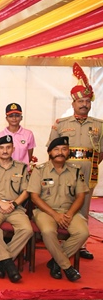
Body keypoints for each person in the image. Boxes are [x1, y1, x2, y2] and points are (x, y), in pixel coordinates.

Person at [47, 63, 102, 260]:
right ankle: (61, 241)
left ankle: (81, 245)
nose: (84, 104)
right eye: (81, 101)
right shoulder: (61, 124)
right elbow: (51, 150)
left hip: (88, 173)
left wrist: (88, 165)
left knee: (84, 207)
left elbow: (101, 152)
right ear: (73, 104)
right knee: (64, 205)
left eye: (87, 101)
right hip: (65, 171)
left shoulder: (99, 125)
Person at [27, 136, 88, 282]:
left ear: (68, 152)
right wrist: (55, 215)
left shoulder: (75, 171)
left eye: (64, 149)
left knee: (83, 233)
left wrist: (69, 214)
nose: (60, 152)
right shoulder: (40, 170)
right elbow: (34, 197)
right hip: (45, 211)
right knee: (48, 231)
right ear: (50, 152)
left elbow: (80, 196)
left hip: (69, 212)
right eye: (56, 149)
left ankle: (56, 262)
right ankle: (67, 267)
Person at [0, 135, 33, 283]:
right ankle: (8, 264)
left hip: (15, 207)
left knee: (27, 230)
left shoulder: (21, 167)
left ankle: (2, 262)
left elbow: (25, 191)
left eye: (8, 147)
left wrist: (13, 204)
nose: (5, 150)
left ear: (13, 149)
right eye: (1, 148)